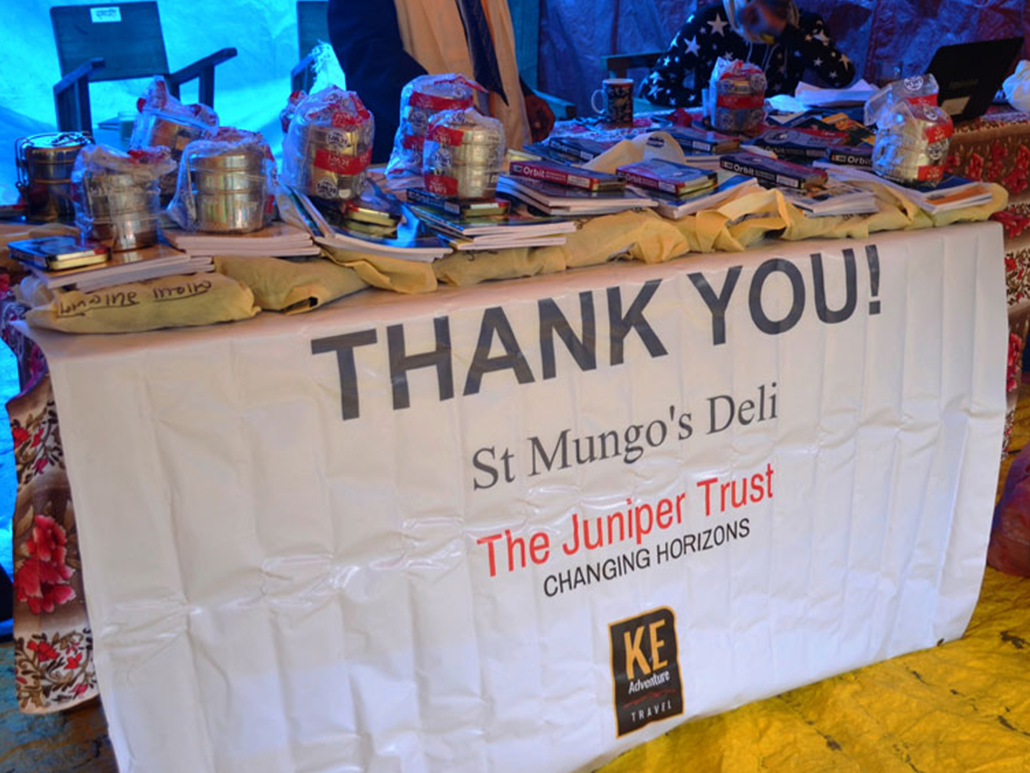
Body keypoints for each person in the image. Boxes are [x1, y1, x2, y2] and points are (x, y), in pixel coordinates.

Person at [328, 0, 555, 163]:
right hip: (415, 156)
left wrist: (519, 92)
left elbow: (479, 33)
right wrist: (443, 111)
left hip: (493, 139)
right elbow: (365, 53)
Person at [643, 0, 855, 107]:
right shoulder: (711, 20)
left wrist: (783, 30)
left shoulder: (803, 26)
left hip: (778, 137)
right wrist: (713, 104)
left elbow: (842, 76)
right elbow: (653, 85)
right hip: (719, 134)